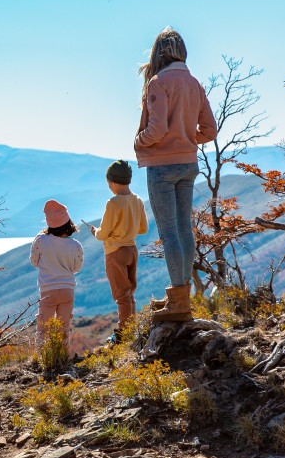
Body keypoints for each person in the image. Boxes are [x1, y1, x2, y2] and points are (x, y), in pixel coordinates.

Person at [134, 27, 217, 322]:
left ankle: (178, 302)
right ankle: (179, 296)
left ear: (158, 52)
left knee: (169, 232)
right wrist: (186, 138)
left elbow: (156, 130)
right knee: (185, 230)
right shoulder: (194, 83)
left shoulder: (159, 82)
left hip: (162, 166)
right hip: (188, 163)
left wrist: (139, 141)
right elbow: (210, 130)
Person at [85, 160, 148, 340]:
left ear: (112, 182)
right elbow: (143, 229)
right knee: (129, 293)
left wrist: (95, 231)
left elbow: (103, 234)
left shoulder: (113, 203)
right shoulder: (138, 200)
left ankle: (124, 332)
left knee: (121, 295)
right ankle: (131, 327)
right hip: (132, 250)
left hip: (115, 252)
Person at [29, 199, 83, 347]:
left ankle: (41, 358)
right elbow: (77, 268)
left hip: (47, 290)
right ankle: (62, 358)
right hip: (68, 290)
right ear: (68, 222)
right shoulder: (75, 245)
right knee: (64, 328)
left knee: (43, 328)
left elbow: (34, 262)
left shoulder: (41, 240)